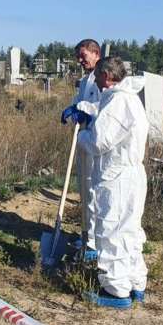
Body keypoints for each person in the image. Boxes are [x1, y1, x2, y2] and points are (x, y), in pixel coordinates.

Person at [77, 56, 149, 309]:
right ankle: (136, 283)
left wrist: (82, 136)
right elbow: (108, 116)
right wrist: (86, 108)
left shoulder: (120, 101)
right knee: (129, 230)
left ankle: (116, 290)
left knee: (112, 231)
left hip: (116, 176)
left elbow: (99, 142)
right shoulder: (127, 98)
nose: (95, 79)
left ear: (107, 76)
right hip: (129, 174)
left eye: (97, 75)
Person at [61, 39, 102, 261]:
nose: (80, 60)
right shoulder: (86, 79)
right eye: (78, 56)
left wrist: (87, 111)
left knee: (93, 191)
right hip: (84, 141)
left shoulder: (105, 77)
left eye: (83, 55)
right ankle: (86, 235)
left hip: (97, 143)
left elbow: (105, 105)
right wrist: (72, 108)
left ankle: (94, 241)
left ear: (96, 53)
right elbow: (81, 101)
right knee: (84, 191)